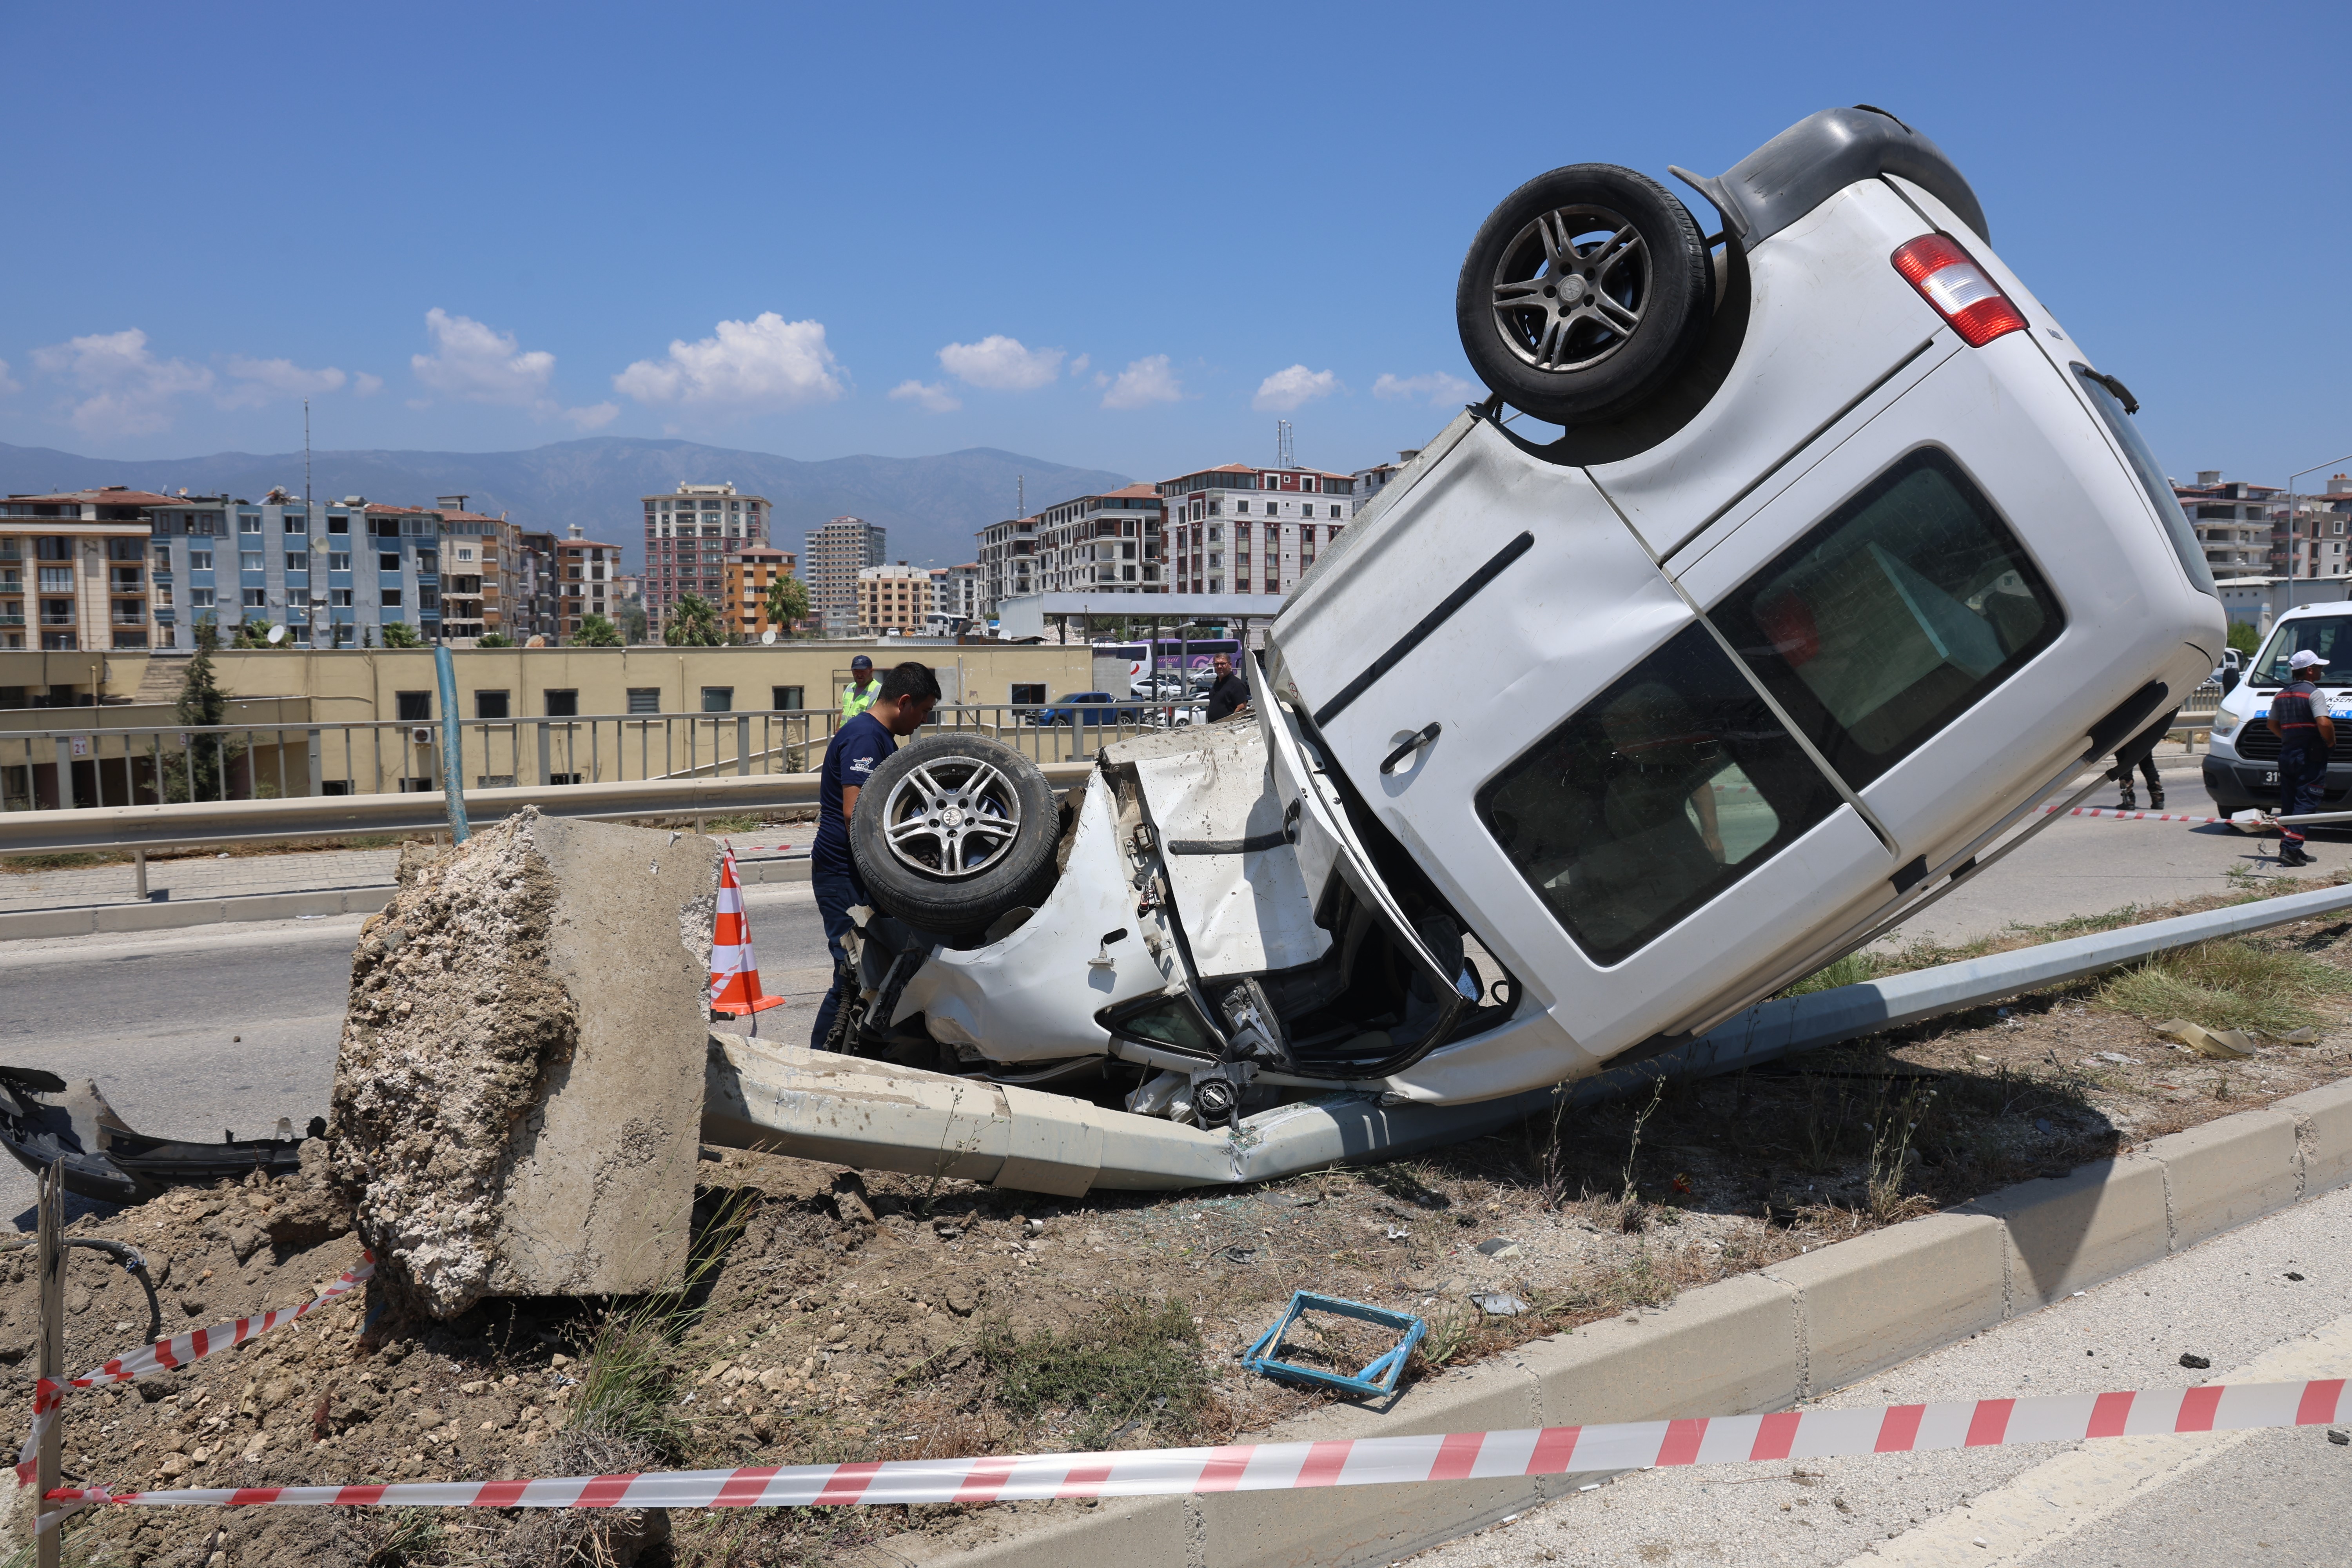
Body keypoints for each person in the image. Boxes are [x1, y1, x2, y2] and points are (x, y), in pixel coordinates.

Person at [811, 661, 941, 1047]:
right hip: (842, 872)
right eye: (923, 711)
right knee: (851, 971)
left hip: (858, 873)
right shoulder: (866, 737)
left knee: (874, 970)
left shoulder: (882, 738)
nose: (922, 721)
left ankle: (864, 1053)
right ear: (904, 701)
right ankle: (820, 1061)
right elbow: (856, 811)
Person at [2268, 648, 2334, 868]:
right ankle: (2291, 850)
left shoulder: (2281, 694)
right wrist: (2331, 742)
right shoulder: (2314, 694)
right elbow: (2324, 723)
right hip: (2309, 756)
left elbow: (2272, 725)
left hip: (2287, 754)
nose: (2321, 672)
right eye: (2319, 668)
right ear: (2309, 671)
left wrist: (2289, 738)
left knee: (2289, 803)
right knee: (2307, 801)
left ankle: (2290, 845)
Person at [1203, 652, 1252, 723]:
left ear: (1230, 665)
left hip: (1226, 729)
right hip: (1213, 727)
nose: (1219, 667)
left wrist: (1230, 725)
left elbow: (1241, 708)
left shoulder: (1237, 684)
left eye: (1223, 664)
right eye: (1217, 664)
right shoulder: (1217, 683)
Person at [839, 654, 878, 721]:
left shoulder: (878, 690)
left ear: (871, 671)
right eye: (856, 671)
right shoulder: (850, 688)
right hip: (846, 731)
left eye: (863, 671)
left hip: (863, 731)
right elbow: (843, 711)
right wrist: (838, 730)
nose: (859, 675)